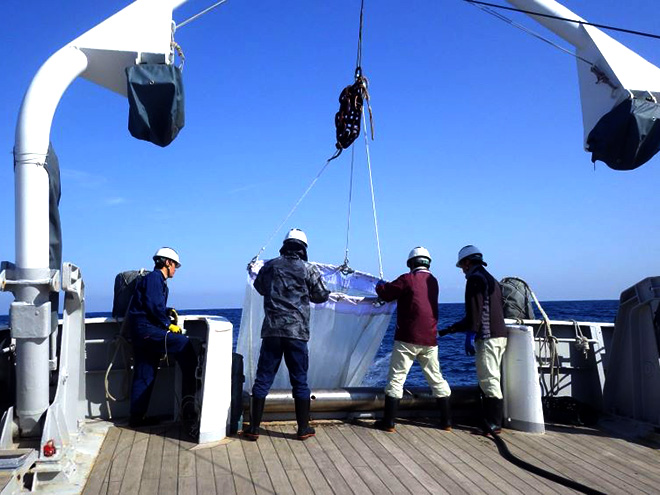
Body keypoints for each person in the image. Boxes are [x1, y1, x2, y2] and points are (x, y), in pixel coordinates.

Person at [242, 229, 330, 441]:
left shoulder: (270, 266)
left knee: (263, 380)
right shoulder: (309, 269)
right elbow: (320, 296)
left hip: (272, 331)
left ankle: (253, 428)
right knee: (299, 382)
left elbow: (260, 287)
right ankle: (303, 429)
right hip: (297, 334)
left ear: (285, 245)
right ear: (303, 249)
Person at [373, 247, 452, 432]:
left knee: (396, 379)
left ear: (411, 264)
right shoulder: (434, 281)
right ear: (428, 263)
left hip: (407, 338)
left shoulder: (407, 279)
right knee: (436, 379)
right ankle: (447, 422)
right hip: (431, 339)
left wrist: (379, 285)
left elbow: (386, 293)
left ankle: (389, 423)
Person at [128, 247, 198, 428]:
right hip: (147, 331)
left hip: (140, 332)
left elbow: (151, 305)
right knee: (184, 345)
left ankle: (137, 417)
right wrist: (168, 324)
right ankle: (190, 399)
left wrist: (166, 312)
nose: (175, 269)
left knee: (145, 374)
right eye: (175, 265)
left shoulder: (154, 281)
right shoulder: (154, 279)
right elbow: (152, 305)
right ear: (167, 263)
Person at [441, 245, 507, 434]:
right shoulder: (491, 279)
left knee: (489, 379)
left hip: (487, 337)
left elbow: (475, 313)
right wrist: (451, 329)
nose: (462, 271)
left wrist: (470, 333)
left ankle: (494, 424)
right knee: (491, 377)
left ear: (468, 263)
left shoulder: (475, 280)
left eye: (462, 266)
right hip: (499, 335)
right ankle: (488, 419)